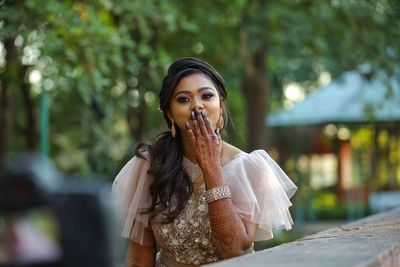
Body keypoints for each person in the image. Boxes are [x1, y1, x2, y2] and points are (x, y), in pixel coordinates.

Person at [112, 57, 297, 267]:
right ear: (170, 114)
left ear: (220, 107)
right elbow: (139, 256)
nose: (197, 106)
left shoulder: (250, 168)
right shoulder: (150, 166)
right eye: (183, 99)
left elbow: (236, 252)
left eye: (207, 96)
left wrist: (211, 167)